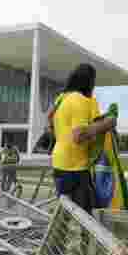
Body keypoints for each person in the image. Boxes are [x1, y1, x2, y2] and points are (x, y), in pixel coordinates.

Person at [49, 64, 117, 212]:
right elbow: (79, 136)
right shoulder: (79, 100)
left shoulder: (61, 99)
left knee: (65, 212)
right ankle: (81, 236)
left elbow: (51, 125)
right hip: (74, 167)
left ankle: (62, 234)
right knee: (84, 217)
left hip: (59, 162)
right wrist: (107, 124)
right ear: (89, 82)